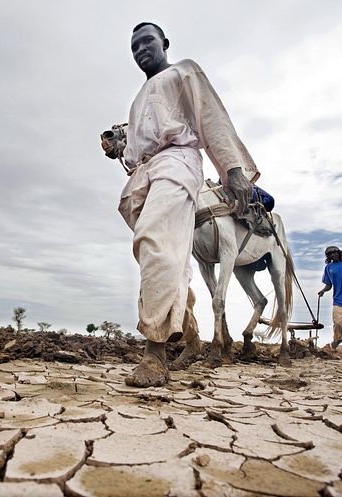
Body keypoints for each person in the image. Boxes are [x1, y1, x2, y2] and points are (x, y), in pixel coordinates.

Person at [119, 22, 260, 387]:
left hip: (176, 162)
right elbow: (137, 145)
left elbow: (211, 116)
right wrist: (121, 148)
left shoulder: (184, 71)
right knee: (168, 257)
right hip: (142, 173)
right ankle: (192, 337)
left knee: (154, 240)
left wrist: (233, 169)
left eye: (147, 41)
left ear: (164, 43)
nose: (141, 50)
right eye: (134, 46)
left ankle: (155, 353)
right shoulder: (138, 98)